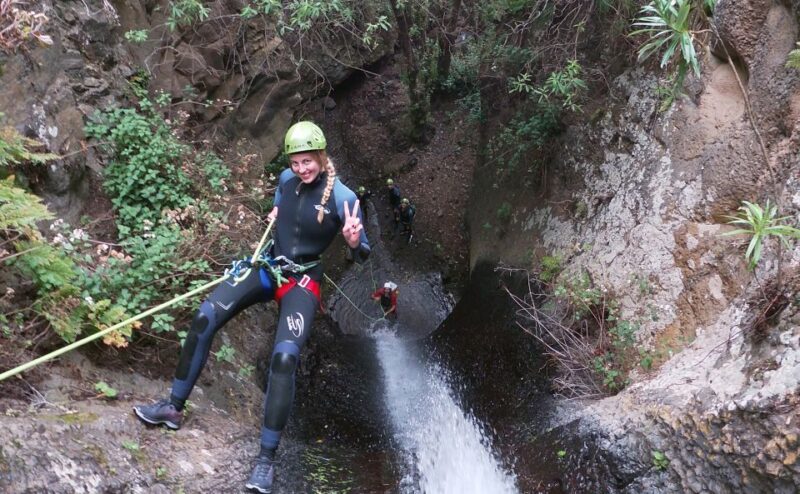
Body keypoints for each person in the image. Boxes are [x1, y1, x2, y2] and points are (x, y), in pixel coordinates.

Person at [132, 121, 370, 494]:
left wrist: (354, 241)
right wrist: (276, 214)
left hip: (301, 283)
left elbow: (363, 255)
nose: (301, 168)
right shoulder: (284, 181)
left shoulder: (344, 198)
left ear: (322, 158)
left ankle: (265, 461)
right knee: (205, 316)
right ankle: (173, 407)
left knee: (284, 359)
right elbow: (282, 207)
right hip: (268, 268)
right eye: (296, 162)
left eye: (307, 161)